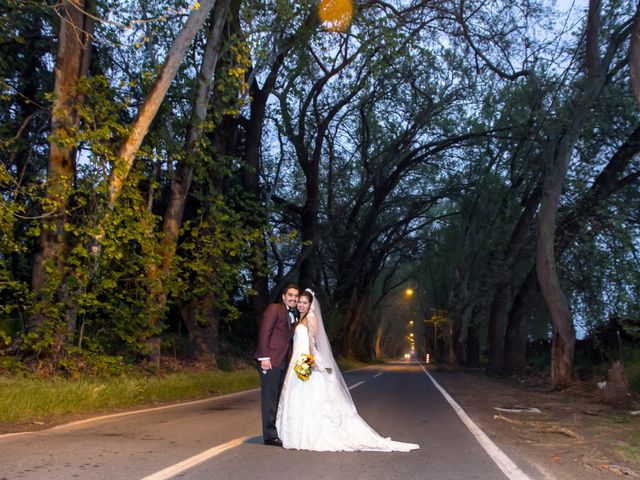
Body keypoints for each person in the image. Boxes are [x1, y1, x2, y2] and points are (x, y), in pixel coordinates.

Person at [276, 289, 419, 452]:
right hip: (297, 359)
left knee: (311, 395)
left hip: (306, 360)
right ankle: (296, 431)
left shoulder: (311, 318)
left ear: (311, 305)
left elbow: (312, 341)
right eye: (299, 302)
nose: (301, 305)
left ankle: (312, 433)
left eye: (304, 302)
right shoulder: (298, 319)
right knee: (297, 396)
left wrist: (310, 362)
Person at [255, 284, 300, 446]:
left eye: (296, 296)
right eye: (290, 295)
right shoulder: (275, 308)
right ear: (283, 296)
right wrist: (264, 357)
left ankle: (276, 430)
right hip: (271, 360)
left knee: (279, 397)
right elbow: (264, 332)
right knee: (270, 398)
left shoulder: (294, 314)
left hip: (284, 361)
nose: (293, 298)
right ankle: (269, 436)